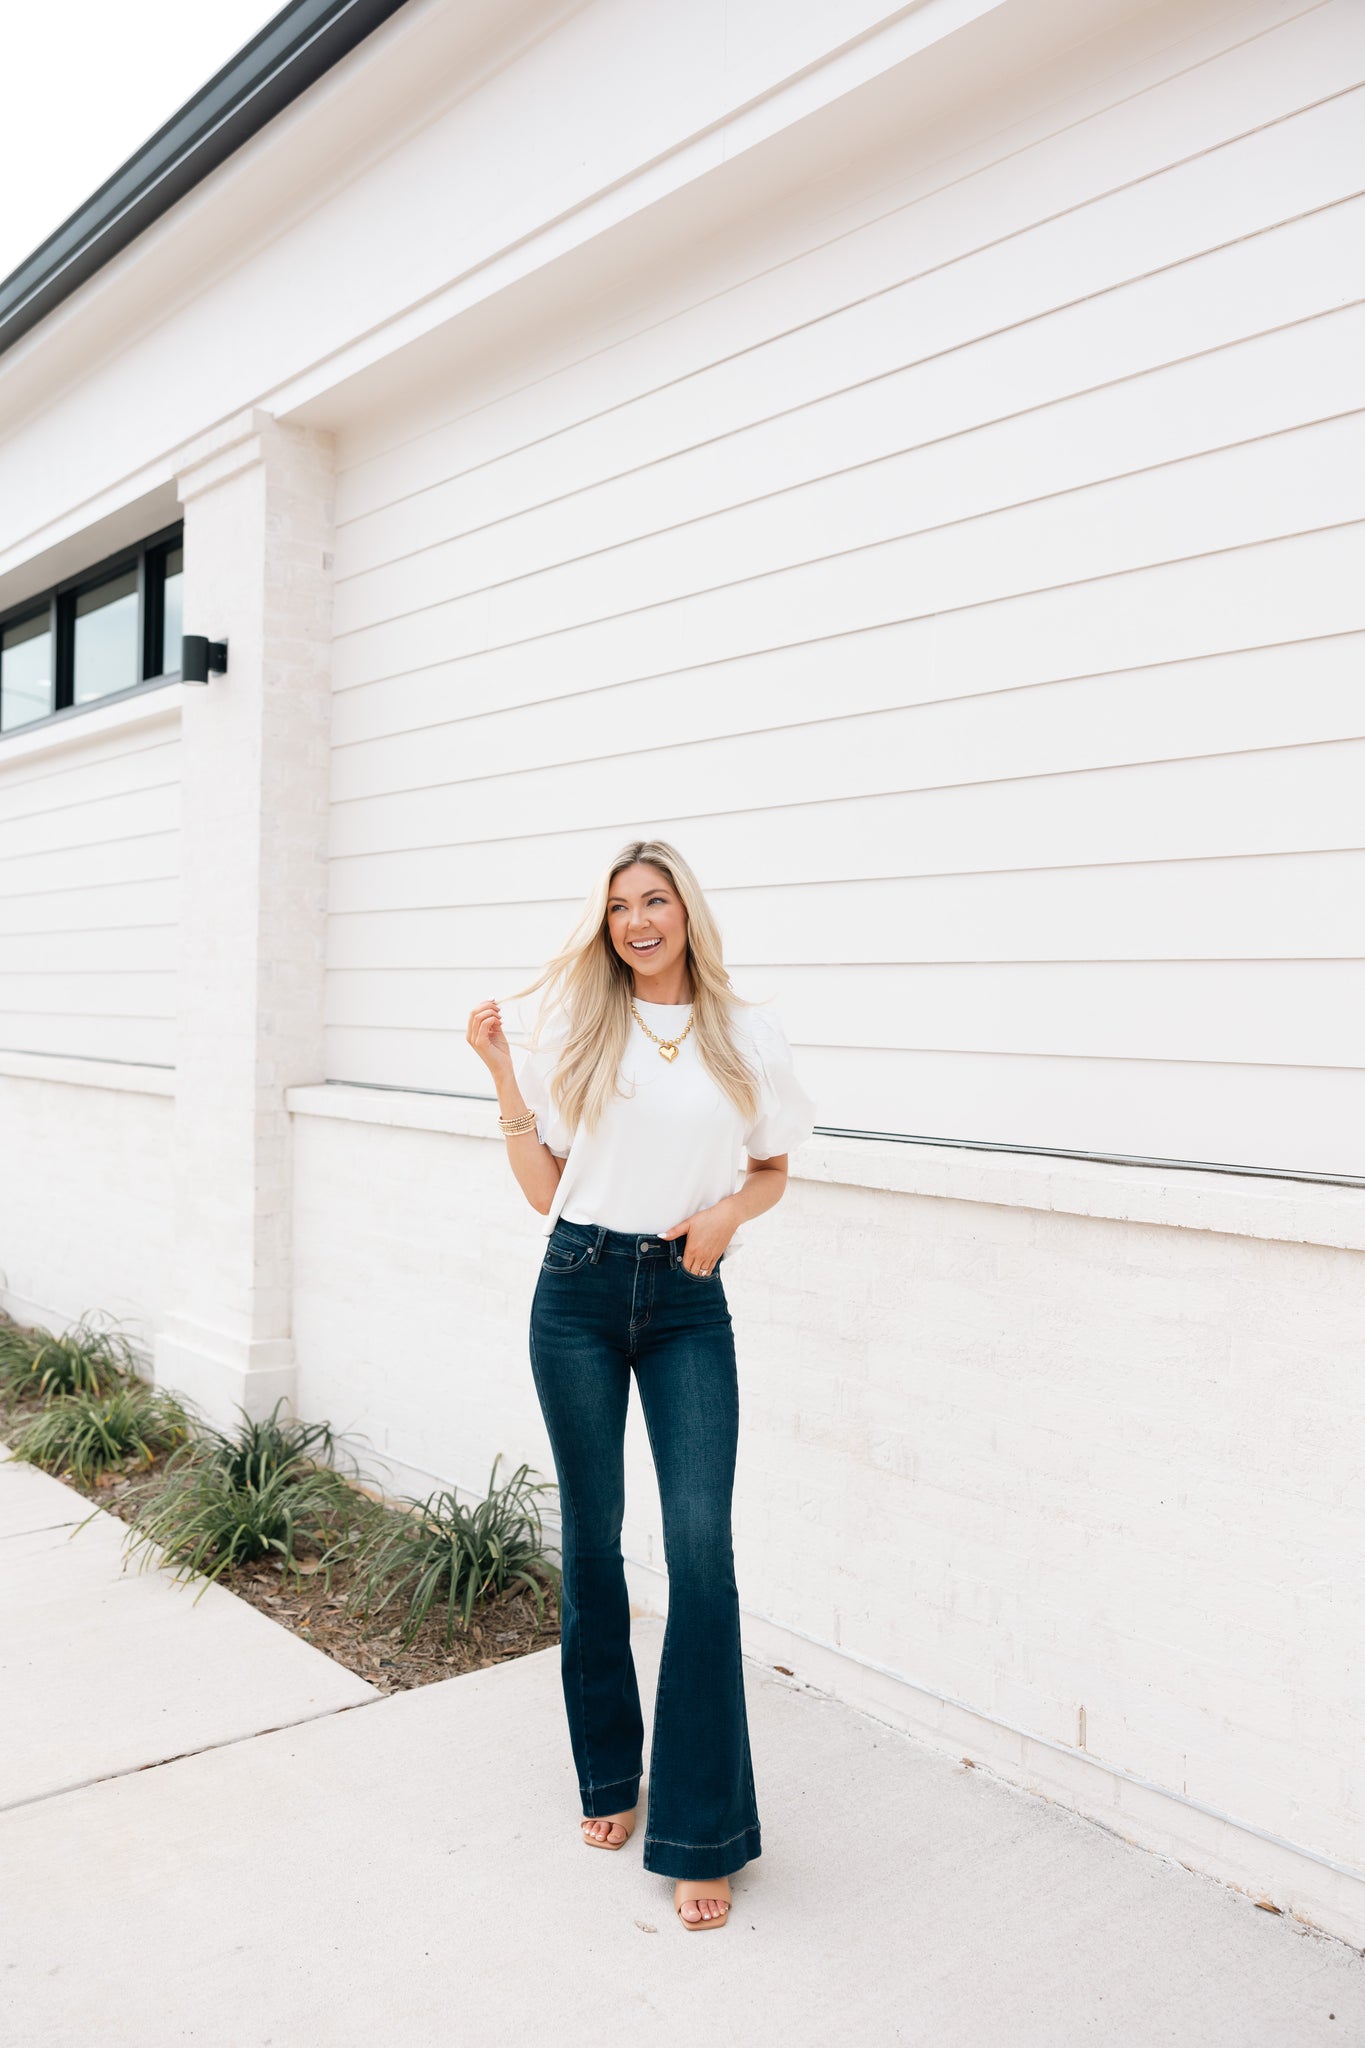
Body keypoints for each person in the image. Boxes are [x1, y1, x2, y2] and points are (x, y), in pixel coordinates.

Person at [466, 837, 816, 1932]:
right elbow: (543, 1191)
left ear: (685, 911)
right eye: (619, 906)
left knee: (702, 1552)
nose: (637, 920)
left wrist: (725, 1215)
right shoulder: (588, 1026)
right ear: (607, 924)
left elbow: (772, 1166)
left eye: (654, 899)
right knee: (593, 1538)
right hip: (575, 1287)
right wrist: (504, 1079)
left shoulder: (747, 1032)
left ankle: (702, 1830)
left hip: (686, 1299)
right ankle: (609, 1770)